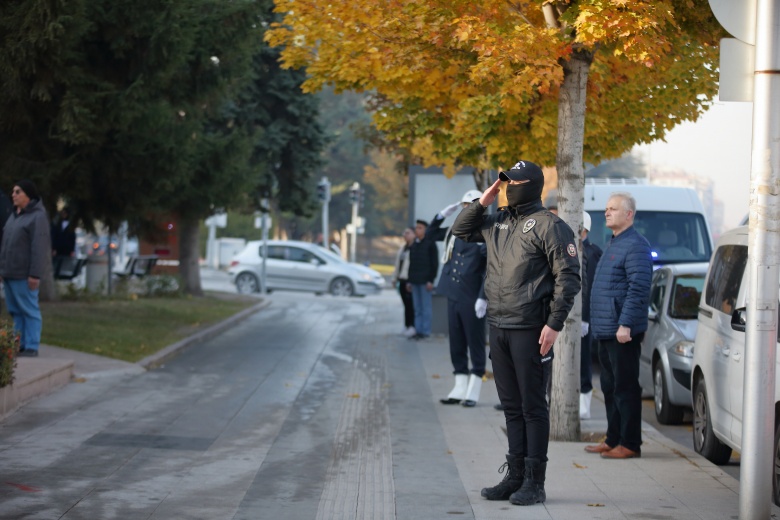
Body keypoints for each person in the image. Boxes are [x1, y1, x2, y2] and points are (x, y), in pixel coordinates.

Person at [452, 161, 581, 506]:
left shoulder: (550, 226)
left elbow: (568, 278)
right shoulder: (496, 222)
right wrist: (484, 200)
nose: (508, 188)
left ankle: (534, 482)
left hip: (531, 329)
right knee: (511, 407)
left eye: (513, 182)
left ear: (532, 184)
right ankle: (514, 476)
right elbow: (460, 230)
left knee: (533, 407)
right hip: (499, 325)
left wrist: (554, 324)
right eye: (504, 182)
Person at [584, 192, 652, 459]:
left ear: (629, 214)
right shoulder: (614, 243)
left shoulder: (636, 245)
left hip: (621, 331)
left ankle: (630, 443)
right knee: (610, 387)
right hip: (606, 329)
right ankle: (613, 439)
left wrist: (625, 324)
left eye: (613, 209)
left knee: (625, 387)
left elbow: (638, 288)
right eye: (606, 209)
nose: (607, 212)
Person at [427, 190, 487, 407]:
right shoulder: (454, 230)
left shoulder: (485, 232)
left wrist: (483, 297)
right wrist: (442, 214)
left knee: (475, 342)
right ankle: (459, 384)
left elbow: (491, 269)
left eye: (470, 205)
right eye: (463, 205)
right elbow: (430, 234)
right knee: (457, 342)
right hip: (453, 292)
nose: (466, 209)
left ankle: (473, 388)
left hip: (472, 296)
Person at [0, 180, 51, 358]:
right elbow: (6, 244)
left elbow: (39, 248)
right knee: (15, 311)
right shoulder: (14, 216)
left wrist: (34, 274)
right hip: (9, 273)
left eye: (18, 192)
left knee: (29, 310)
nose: (13, 195)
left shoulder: (38, 217)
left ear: (28, 196)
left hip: (24, 275)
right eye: (13, 191)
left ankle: (31, 345)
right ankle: (20, 344)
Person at [579, 210, 603, 419]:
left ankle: (584, 404)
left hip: (583, 318)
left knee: (583, 359)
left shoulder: (592, 253)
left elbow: (589, 289)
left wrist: (585, 319)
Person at [406, 219, 438, 340]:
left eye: (420, 228)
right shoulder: (414, 244)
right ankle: (418, 330)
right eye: (416, 228)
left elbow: (434, 264)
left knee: (426, 308)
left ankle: (425, 331)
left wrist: (431, 280)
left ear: (425, 230)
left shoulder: (430, 244)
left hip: (425, 282)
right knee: (417, 308)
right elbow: (411, 263)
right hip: (414, 281)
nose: (417, 230)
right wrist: (409, 280)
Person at [391, 227, 416, 337]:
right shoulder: (403, 248)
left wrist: (410, 281)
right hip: (401, 279)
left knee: (411, 304)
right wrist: (394, 278)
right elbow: (398, 265)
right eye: (404, 233)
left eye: (408, 233)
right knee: (406, 304)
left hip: (409, 280)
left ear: (414, 235)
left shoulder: (415, 248)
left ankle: (412, 326)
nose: (405, 235)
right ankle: (406, 325)